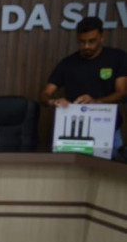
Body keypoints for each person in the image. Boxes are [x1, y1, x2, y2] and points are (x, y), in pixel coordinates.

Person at [41, 16, 127, 160]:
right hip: (75, 132)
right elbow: (45, 94)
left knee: (111, 171)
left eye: (91, 41)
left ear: (102, 37)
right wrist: (53, 102)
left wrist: (96, 101)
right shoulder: (68, 63)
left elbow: (122, 92)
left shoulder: (117, 58)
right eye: (82, 41)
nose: (86, 46)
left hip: (109, 128)